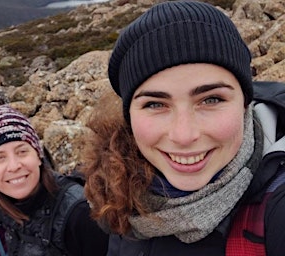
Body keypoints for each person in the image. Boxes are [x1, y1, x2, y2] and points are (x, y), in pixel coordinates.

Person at [81, 1, 285, 256]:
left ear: (245, 103)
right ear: (128, 116)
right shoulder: (115, 185)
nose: (184, 135)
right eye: (155, 104)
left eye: (211, 100)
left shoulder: (276, 203)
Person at [0, 104, 109, 256]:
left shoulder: (79, 214)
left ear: (39, 156)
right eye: (0, 158)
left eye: (22, 151)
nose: (14, 166)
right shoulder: (5, 206)